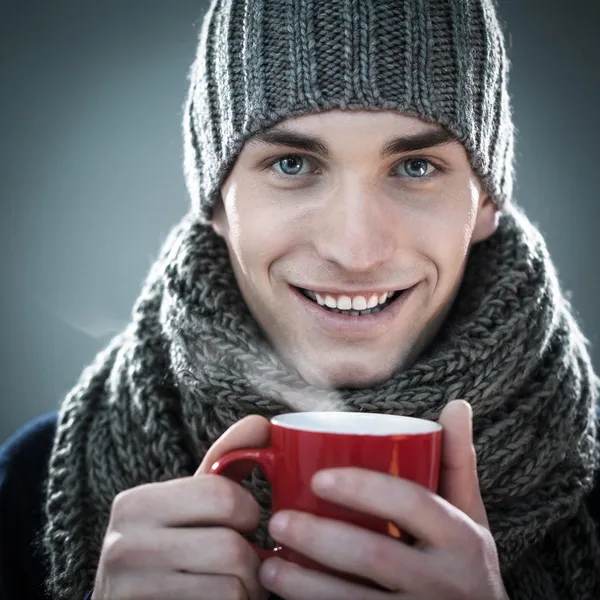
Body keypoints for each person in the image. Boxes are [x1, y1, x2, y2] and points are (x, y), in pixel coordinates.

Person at [1, 0, 599, 598]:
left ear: (486, 203)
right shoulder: (27, 485)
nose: (355, 249)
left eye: (416, 167)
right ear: (215, 203)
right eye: (293, 163)